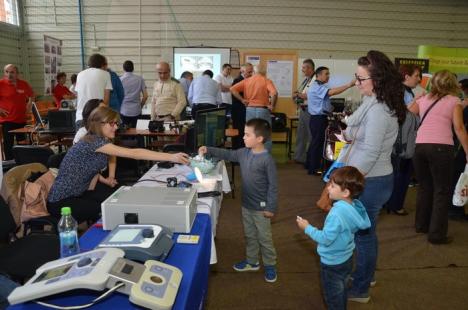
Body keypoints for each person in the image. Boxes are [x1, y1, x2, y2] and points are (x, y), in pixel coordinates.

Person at [48, 106, 189, 223]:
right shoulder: (94, 142)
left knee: (116, 198)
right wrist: (171, 156)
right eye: (112, 123)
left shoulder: (99, 141)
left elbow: (91, 168)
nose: (116, 127)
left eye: (116, 123)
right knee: (108, 209)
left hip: (79, 193)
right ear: (99, 124)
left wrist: (106, 179)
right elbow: (135, 153)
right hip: (61, 201)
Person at [344, 50, 406, 303]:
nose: (356, 83)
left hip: (370, 181)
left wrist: (348, 182)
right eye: (356, 77)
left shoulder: (380, 110)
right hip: (370, 177)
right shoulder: (372, 102)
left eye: (361, 79)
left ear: (377, 80)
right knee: (366, 235)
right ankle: (365, 276)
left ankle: (360, 289)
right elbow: (353, 130)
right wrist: (350, 134)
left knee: (364, 237)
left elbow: (369, 152)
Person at [198, 118, 278, 283]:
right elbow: (228, 154)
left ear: (259, 139)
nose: (243, 137)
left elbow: (273, 186)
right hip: (246, 205)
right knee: (249, 235)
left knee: (264, 238)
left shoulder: (267, 160)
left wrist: (271, 207)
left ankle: (270, 265)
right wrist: (209, 149)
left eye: (247, 135)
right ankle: (252, 261)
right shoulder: (243, 153)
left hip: (261, 208)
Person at [297, 166, 370, 310]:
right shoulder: (354, 206)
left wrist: (307, 228)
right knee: (341, 290)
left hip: (332, 263)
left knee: (333, 297)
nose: (328, 188)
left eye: (332, 185)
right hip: (347, 257)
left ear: (345, 192)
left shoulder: (336, 213)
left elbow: (325, 239)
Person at [408, 70, 468, 244]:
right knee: (442, 191)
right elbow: (459, 128)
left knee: (425, 188)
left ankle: (421, 225)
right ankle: (436, 235)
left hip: (419, 147)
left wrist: (418, 98)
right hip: (441, 148)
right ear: (451, 84)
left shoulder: (425, 99)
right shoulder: (454, 101)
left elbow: (409, 111)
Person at [386, 64, 422, 215]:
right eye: (416, 76)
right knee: (401, 174)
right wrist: (420, 100)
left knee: (395, 172)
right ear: (406, 76)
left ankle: (390, 203)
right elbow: (409, 112)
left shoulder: (398, 91)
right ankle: (395, 205)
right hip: (402, 141)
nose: (419, 80)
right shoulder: (403, 92)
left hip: (396, 139)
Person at [305, 66, 355, 175]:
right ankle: (313, 168)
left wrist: (330, 108)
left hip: (317, 118)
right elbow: (331, 92)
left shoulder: (319, 86)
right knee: (317, 143)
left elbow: (324, 101)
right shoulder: (317, 86)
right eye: (326, 74)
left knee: (316, 142)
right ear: (318, 75)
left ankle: (310, 165)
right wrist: (349, 85)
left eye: (329, 74)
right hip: (318, 119)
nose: (328, 76)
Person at [230, 64, 278, 152]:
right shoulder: (266, 81)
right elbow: (274, 93)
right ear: (264, 72)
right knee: (265, 134)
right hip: (263, 110)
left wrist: (242, 100)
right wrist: (272, 106)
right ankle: (265, 157)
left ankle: (251, 156)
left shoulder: (247, 81)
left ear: (254, 72)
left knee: (250, 133)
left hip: (250, 110)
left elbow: (232, 89)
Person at [0, 64, 34, 160]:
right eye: (6, 72)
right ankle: (10, 164)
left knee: (22, 143)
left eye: (12, 72)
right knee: (8, 144)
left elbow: (31, 95)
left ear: (17, 74)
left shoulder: (23, 84)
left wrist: (29, 104)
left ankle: (22, 161)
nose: (9, 75)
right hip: (7, 120)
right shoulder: (1, 84)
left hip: (21, 119)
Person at [75, 54, 113, 127]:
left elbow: (78, 95)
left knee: (82, 138)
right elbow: (106, 99)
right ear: (102, 64)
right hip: (97, 117)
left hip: (81, 117)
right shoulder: (106, 74)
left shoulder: (80, 74)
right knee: (99, 138)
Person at [293, 59, 315, 164]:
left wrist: (299, 95)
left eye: (304, 67)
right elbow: (303, 94)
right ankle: (299, 157)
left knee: (310, 136)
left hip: (310, 111)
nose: (302, 70)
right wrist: (298, 95)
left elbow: (310, 95)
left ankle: (310, 158)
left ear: (310, 68)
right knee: (301, 135)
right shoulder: (307, 79)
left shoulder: (315, 80)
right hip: (303, 110)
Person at [231, 63, 253, 149]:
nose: (251, 74)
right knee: (238, 133)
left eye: (251, 72)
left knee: (244, 133)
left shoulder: (248, 80)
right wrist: (243, 100)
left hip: (245, 111)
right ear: (242, 71)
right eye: (249, 72)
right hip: (238, 111)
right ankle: (236, 155)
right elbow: (233, 92)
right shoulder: (237, 80)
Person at [120, 60, 148, 128]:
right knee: (137, 131)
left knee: (125, 133)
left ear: (123, 68)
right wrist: (140, 106)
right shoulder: (140, 79)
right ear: (133, 68)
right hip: (136, 110)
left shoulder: (120, 80)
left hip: (124, 110)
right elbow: (145, 96)